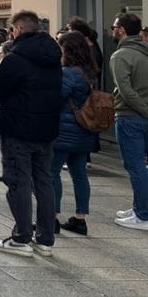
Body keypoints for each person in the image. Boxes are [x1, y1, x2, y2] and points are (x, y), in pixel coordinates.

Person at [0, 10, 63, 259]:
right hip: (46, 129)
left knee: (18, 181)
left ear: (17, 30)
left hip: (18, 128)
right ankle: (46, 239)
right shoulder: (54, 58)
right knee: (44, 182)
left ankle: (21, 236)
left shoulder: (15, 59)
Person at [53, 30, 98, 235]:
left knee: (51, 172)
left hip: (64, 131)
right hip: (84, 131)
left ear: (67, 49)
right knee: (79, 174)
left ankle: (51, 216)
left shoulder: (68, 73)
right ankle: (80, 218)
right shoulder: (90, 72)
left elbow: (58, 97)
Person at [110, 12, 148, 230]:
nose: (112, 30)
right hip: (142, 116)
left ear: (122, 30)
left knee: (135, 167)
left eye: (114, 27)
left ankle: (142, 214)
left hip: (130, 116)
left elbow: (125, 91)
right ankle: (139, 207)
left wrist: (144, 110)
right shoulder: (144, 52)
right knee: (141, 167)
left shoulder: (121, 56)